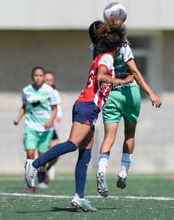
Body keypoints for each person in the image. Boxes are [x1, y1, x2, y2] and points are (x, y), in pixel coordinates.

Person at [24, 24, 134, 212]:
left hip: (89, 107)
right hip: (87, 106)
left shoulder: (101, 56)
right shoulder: (107, 58)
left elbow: (103, 82)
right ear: (117, 49)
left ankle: (79, 197)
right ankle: (34, 164)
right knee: (72, 144)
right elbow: (101, 76)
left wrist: (119, 81)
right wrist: (123, 81)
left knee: (85, 155)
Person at [92, 3, 162, 198]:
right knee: (129, 134)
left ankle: (101, 170)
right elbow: (135, 72)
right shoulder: (123, 46)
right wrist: (150, 93)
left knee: (108, 137)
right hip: (130, 93)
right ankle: (123, 171)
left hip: (111, 93)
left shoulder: (95, 48)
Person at [14, 66, 58, 193]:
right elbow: (24, 106)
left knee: (42, 157)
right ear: (32, 77)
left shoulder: (50, 91)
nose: (38, 78)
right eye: (36, 75)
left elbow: (54, 109)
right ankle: (31, 184)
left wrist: (49, 121)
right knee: (30, 154)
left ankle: (43, 171)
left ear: (44, 77)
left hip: (45, 129)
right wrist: (18, 118)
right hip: (30, 127)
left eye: (40, 75)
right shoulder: (26, 90)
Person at [43, 71, 63, 183]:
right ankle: (40, 177)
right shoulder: (39, 92)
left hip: (51, 128)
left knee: (57, 154)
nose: (48, 82)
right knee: (41, 153)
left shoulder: (54, 93)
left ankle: (46, 168)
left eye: (50, 80)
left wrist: (59, 115)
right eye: (46, 80)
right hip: (39, 128)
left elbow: (57, 106)